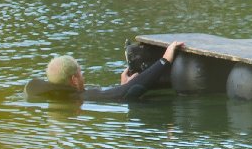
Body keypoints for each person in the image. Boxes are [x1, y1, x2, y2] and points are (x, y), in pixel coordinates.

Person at [28, 40, 186, 104]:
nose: (84, 76)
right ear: (74, 80)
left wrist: (122, 86)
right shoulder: (84, 98)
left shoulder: (63, 97)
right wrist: (165, 59)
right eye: (80, 73)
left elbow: (120, 91)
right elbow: (126, 93)